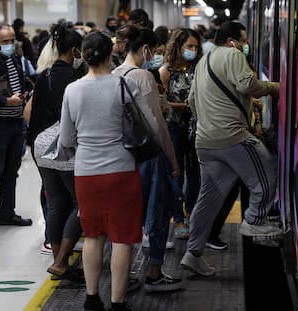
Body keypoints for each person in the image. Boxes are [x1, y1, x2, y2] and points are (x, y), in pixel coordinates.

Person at [180, 21, 281, 276]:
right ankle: (255, 221)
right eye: (244, 39)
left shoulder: (203, 60)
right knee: (267, 168)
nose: (246, 44)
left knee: (208, 199)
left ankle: (192, 254)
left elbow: (191, 100)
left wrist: (209, 121)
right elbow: (249, 86)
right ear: (231, 40)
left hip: (205, 142)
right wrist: (275, 88)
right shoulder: (233, 54)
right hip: (231, 136)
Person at [59, 31, 145, 311]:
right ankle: (118, 303)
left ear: (82, 56)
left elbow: (67, 139)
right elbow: (142, 127)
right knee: (122, 238)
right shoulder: (123, 85)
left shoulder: (72, 89)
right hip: (121, 171)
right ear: (111, 55)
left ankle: (92, 299)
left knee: (92, 235)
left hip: (86, 173)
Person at [112, 24, 183, 293]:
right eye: (153, 51)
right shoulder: (143, 76)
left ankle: (124, 275)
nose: (154, 55)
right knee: (158, 211)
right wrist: (172, 158)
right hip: (148, 158)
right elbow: (156, 124)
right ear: (145, 49)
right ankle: (154, 272)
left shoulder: (114, 73)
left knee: (128, 216)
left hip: (122, 158)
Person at [30, 23, 84, 282]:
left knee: (56, 204)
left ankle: (56, 263)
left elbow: (30, 113)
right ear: (74, 50)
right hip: (63, 146)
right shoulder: (75, 79)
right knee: (82, 205)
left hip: (39, 146)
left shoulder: (44, 74)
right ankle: (62, 261)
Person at [159, 28, 203, 239]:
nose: (193, 50)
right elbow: (163, 104)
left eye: (196, 47)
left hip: (197, 128)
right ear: (178, 46)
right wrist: (184, 106)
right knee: (177, 173)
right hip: (175, 128)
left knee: (196, 173)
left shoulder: (199, 68)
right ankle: (178, 219)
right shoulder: (166, 71)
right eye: (189, 46)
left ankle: (191, 212)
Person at [0, 23, 32, 228]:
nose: (9, 44)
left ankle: (7, 212)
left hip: (16, 122)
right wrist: (6, 101)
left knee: (11, 171)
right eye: (4, 41)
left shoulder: (15, 57)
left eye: (12, 39)